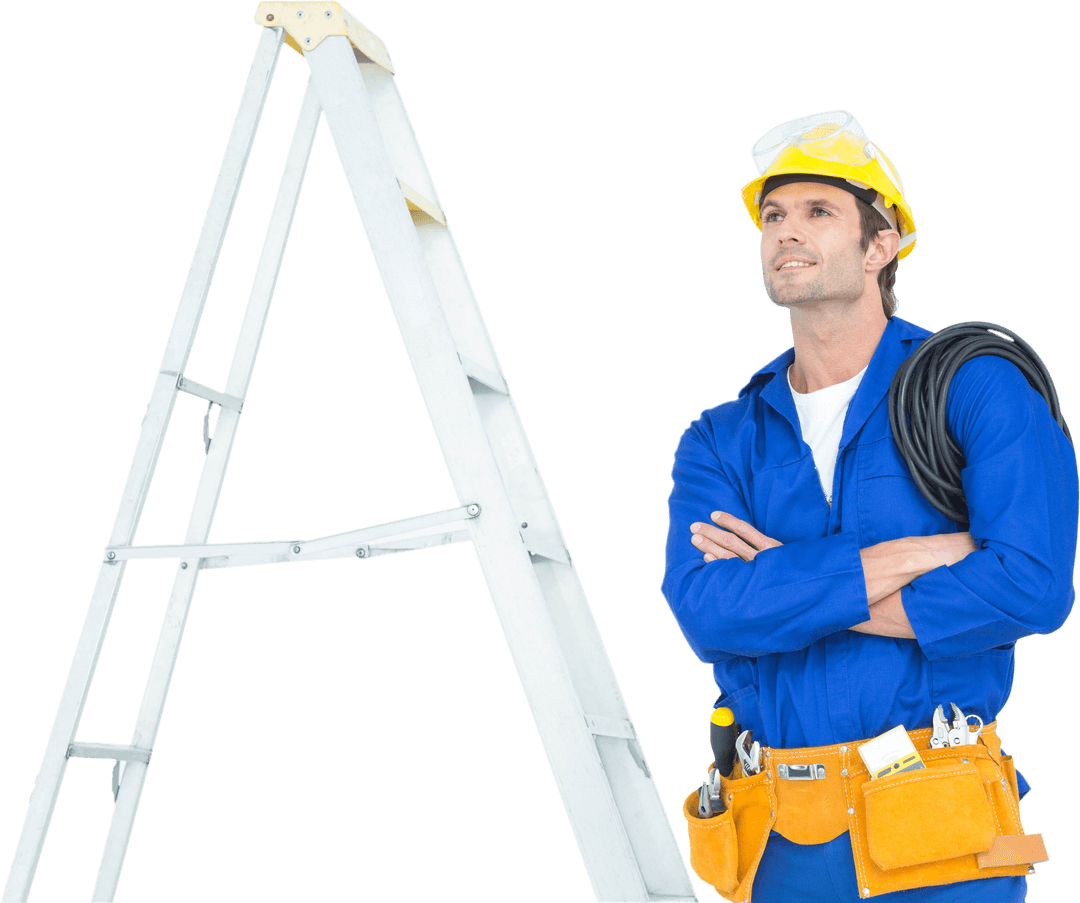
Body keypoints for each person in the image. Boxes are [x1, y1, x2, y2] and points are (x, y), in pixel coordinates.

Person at [662, 110, 1078, 903]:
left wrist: (786, 582)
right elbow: (707, 613)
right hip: (780, 841)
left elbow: (1031, 584)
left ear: (880, 243)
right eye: (772, 216)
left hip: (942, 834)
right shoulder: (721, 438)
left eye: (818, 211)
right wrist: (917, 554)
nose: (786, 232)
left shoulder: (974, 387)